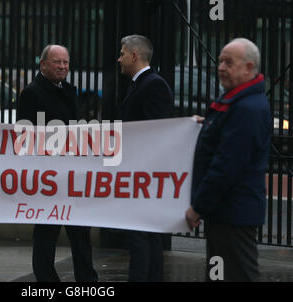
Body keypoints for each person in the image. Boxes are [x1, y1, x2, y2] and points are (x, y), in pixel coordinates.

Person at [185, 38, 271, 282]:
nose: (221, 67)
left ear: (248, 67)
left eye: (228, 62)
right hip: (226, 212)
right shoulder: (237, 101)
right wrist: (209, 123)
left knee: (237, 274)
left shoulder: (246, 108)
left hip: (233, 213)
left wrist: (198, 207)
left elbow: (226, 166)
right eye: (221, 61)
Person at [17, 44, 98, 282]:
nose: (63, 67)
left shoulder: (69, 91)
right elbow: (24, 135)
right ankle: (46, 280)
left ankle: (87, 280)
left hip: (71, 174)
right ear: (43, 65)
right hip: (48, 177)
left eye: (66, 62)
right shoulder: (31, 93)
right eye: (57, 62)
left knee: (81, 233)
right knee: (46, 234)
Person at [117, 34, 174, 282]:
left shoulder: (154, 84)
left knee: (142, 236)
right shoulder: (140, 84)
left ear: (134, 55)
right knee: (144, 234)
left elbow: (156, 131)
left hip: (145, 173)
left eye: (121, 53)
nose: (118, 59)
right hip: (138, 171)